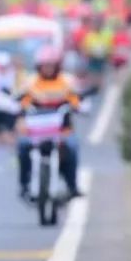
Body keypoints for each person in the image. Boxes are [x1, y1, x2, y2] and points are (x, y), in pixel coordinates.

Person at [16, 46, 82, 199]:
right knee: (22, 146)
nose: (48, 69)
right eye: (45, 66)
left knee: (72, 147)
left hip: (62, 131)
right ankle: (24, 184)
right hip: (35, 132)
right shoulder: (31, 82)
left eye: (51, 65)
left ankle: (72, 185)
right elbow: (23, 101)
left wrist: (77, 104)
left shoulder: (67, 81)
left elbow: (76, 101)